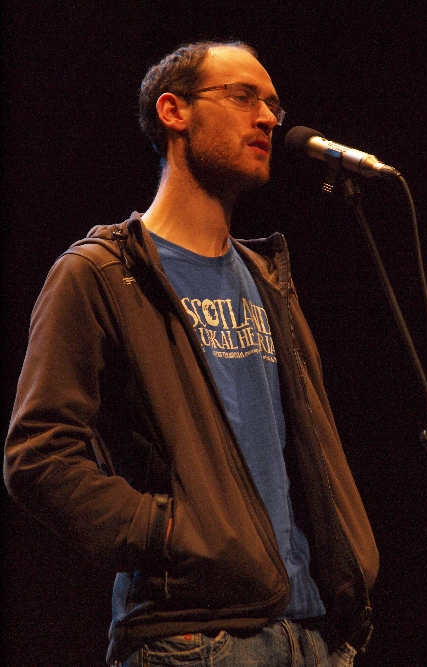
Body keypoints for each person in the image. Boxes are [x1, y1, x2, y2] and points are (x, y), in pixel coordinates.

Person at [4, 40, 379, 667]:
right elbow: (38, 455)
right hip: (196, 641)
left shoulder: (269, 281)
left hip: (315, 634)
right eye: (243, 96)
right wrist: (169, 530)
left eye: (273, 105)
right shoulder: (103, 273)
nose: (267, 118)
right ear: (173, 110)